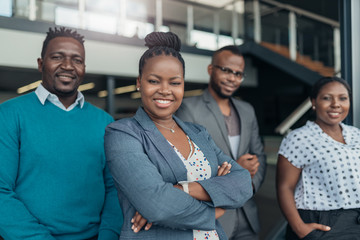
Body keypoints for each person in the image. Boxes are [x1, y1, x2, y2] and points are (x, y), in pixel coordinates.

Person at [104, 31, 253, 240]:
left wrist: (181, 189)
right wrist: (216, 204)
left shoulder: (198, 133)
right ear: (139, 82)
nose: (165, 90)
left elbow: (243, 182)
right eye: (154, 81)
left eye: (175, 83)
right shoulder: (123, 133)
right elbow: (156, 205)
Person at [0, 27, 123, 240]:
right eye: (57, 57)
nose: (67, 66)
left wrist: (107, 236)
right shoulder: (10, 114)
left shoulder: (105, 123)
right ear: (41, 63)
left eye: (76, 60)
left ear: (84, 67)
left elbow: (115, 189)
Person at [176, 45, 267, 240]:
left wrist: (246, 187)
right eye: (226, 70)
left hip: (247, 219)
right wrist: (237, 172)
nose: (232, 78)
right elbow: (185, 166)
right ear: (211, 70)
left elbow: (259, 156)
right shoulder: (188, 109)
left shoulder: (247, 110)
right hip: (212, 217)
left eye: (238, 74)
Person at [276, 76, 360, 240]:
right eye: (327, 98)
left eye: (342, 98)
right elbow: (284, 187)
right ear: (313, 102)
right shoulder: (298, 138)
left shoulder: (356, 134)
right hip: (323, 224)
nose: (336, 104)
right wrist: (300, 229)